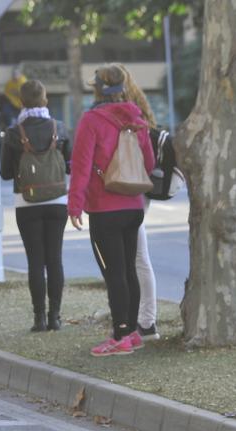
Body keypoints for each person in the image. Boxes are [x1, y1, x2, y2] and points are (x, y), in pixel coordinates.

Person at [68, 64, 155, 357]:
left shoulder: (92, 120)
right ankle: (131, 332)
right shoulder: (136, 117)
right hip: (134, 206)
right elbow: (150, 163)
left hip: (105, 209)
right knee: (129, 269)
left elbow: (80, 166)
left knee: (114, 273)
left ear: (97, 88)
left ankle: (120, 335)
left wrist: (75, 204)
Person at [0, 79, 74, 331]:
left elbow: (6, 174)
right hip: (57, 202)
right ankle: (55, 317)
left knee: (35, 261)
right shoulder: (60, 128)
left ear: (21, 102)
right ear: (45, 100)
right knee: (55, 258)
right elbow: (70, 164)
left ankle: (39, 318)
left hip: (26, 202)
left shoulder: (13, 133)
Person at [119, 63, 161, 341]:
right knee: (136, 257)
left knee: (135, 257)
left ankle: (145, 321)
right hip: (139, 188)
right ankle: (142, 319)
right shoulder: (140, 108)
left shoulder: (122, 112)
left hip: (125, 188)